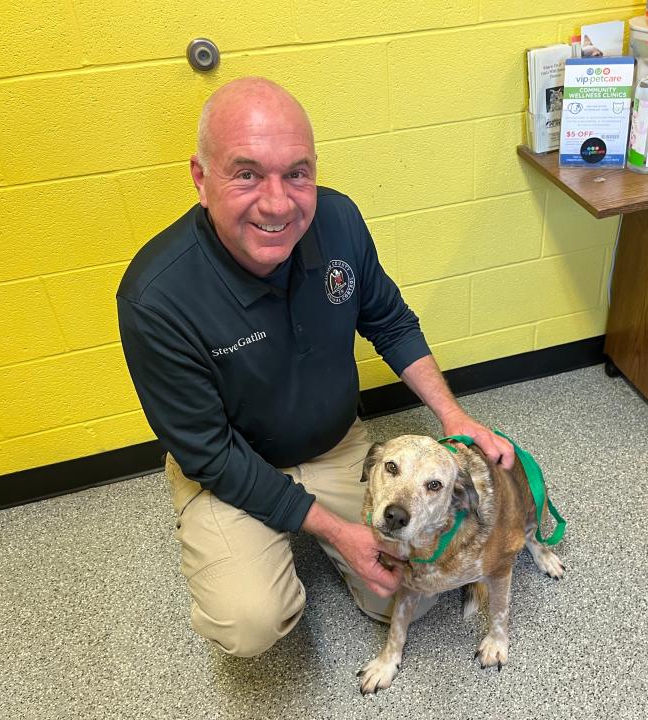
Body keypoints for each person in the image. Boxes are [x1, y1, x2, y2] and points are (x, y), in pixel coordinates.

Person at [116, 77, 514, 658]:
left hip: (332, 443)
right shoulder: (155, 298)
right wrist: (336, 532)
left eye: (296, 173)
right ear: (201, 179)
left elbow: (392, 322)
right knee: (250, 624)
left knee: (409, 584)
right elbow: (208, 452)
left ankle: (319, 529)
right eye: (246, 173)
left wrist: (454, 417)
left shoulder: (338, 221)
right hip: (232, 465)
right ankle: (258, 544)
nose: (278, 203)